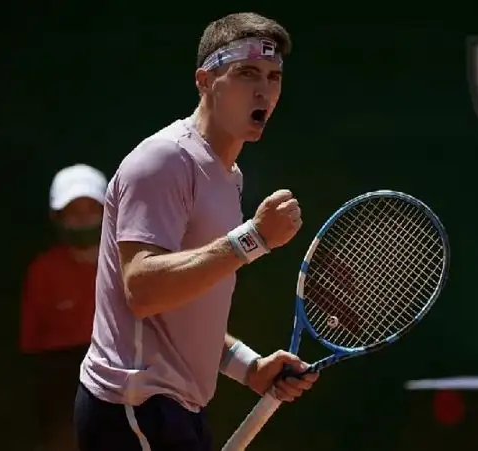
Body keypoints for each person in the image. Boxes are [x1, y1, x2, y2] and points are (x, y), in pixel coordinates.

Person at [74, 12, 318, 451]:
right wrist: (254, 239)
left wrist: (250, 367)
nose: (264, 91)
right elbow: (143, 290)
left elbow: (182, 312)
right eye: (247, 73)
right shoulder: (164, 161)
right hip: (133, 408)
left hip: (175, 412)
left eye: (274, 77)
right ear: (205, 81)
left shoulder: (229, 177)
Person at [21, 163, 109, 451]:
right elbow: (32, 344)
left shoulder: (131, 263)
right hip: (63, 380)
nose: (83, 220)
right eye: (73, 212)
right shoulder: (43, 270)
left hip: (124, 373)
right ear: (57, 217)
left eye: (91, 210)